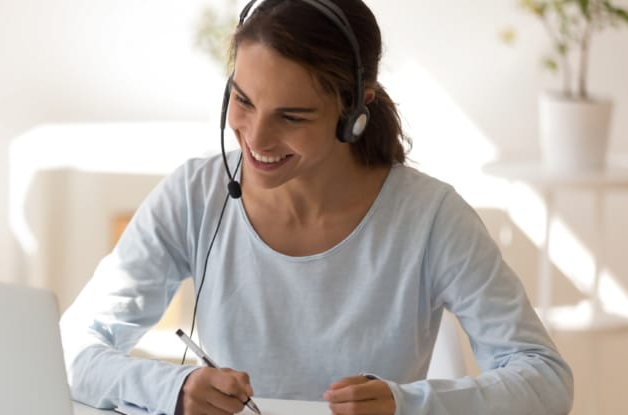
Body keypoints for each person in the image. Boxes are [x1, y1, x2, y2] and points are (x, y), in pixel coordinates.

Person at [59, 0, 574, 414]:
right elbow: (70, 349)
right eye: (242, 101)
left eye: (292, 116)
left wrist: (409, 404)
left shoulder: (431, 217)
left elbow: (545, 378)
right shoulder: (195, 194)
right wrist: (173, 388)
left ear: (353, 111)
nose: (255, 138)